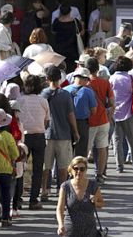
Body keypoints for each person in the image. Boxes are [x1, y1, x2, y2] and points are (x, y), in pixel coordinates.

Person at [41, 64, 80, 201]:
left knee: (46, 165)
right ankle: (61, 190)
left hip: (47, 134)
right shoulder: (65, 95)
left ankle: (44, 190)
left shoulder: (43, 94)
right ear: (60, 79)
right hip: (64, 134)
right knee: (63, 166)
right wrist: (75, 131)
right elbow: (71, 114)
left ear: (47, 78)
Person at [16, 74, 49, 209]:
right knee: (37, 169)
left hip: (24, 137)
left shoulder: (20, 100)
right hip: (39, 136)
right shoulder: (43, 101)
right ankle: (33, 200)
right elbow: (47, 121)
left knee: (20, 168)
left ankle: (18, 199)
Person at [109, 57, 133, 173]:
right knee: (132, 139)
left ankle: (119, 165)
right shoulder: (131, 77)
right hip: (129, 112)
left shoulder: (112, 78)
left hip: (115, 113)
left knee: (117, 140)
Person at [55, 156, 105, 237]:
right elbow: (60, 209)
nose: (79, 171)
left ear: (86, 170)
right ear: (71, 170)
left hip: (89, 231)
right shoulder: (65, 186)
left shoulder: (93, 185)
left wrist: (95, 202)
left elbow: (102, 203)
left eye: (82, 169)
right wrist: (60, 225)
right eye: (76, 169)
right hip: (70, 231)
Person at [85, 57, 113, 183]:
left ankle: (82, 173)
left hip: (89, 121)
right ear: (98, 69)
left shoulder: (85, 84)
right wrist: (109, 116)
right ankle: (100, 174)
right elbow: (112, 102)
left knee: (85, 149)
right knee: (102, 148)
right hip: (103, 119)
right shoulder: (105, 82)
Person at [0, 108, 19, 227]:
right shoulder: (8, 136)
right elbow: (15, 154)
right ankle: (5, 218)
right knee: (5, 194)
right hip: (5, 169)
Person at [64, 67, 98, 159]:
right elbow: (94, 110)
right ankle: (79, 167)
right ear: (85, 79)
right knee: (81, 151)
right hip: (82, 123)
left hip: (66, 123)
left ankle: (67, 167)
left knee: (66, 150)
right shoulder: (88, 92)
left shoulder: (65, 90)